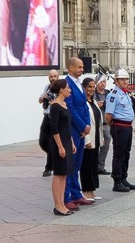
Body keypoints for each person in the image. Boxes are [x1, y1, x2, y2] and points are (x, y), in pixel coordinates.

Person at [64, 57, 94, 211]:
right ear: (70, 68)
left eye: (82, 67)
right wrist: (83, 126)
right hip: (73, 131)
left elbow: (84, 105)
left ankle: (76, 194)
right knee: (70, 165)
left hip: (81, 131)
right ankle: (66, 197)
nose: (82, 70)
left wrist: (86, 126)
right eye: (79, 67)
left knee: (77, 165)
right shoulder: (67, 84)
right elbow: (71, 109)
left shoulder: (78, 83)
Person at [106, 68, 135, 192]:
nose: (125, 81)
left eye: (126, 79)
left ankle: (123, 177)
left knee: (126, 153)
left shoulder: (125, 93)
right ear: (116, 80)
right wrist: (114, 126)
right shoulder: (113, 95)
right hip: (119, 126)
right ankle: (117, 181)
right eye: (122, 79)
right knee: (119, 154)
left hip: (127, 126)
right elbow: (108, 115)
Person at [48, 79, 76, 216]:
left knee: (64, 174)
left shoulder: (65, 105)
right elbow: (54, 129)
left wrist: (71, 143)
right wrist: (60, 146)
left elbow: (67, 127)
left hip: (66, 141)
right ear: (61, 90)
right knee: (58, 174)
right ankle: (57, 205)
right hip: (59, 143)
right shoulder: (55, 106)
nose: (69, 90)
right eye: (68, 88)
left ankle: (62, 204)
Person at [80, 77, 103, 201]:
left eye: (93, 87)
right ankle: (85, 190)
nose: (92, 89)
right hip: (88, 138)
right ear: (84, 87)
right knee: (86, 165)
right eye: (89, 87)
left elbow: (98, 120)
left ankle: (92, 190)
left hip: (96, 137)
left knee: (94, 164)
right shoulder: (83, 103)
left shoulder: (93, 102)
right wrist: (87, 140)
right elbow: (85, 122)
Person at [39, 69, 59, 176]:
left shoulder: (61, 88)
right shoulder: (47, 87)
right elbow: (39, 100)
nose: (53, 78)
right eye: (51, 76)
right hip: (47, 116)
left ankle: (48, 167)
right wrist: (44, 98)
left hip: (55, 117)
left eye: (55, 76)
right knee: (43, 141)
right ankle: (54, 156)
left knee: (52, 142)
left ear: (58, 77)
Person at [94, 72, 112, 176]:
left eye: (104, 82)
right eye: (101, 82)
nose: (103, 84)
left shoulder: (108, 93)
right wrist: (97, 104)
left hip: (106, 124)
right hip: (97, 125)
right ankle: (94, 166)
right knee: (95, 146)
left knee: (105, 146)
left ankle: (101, 167)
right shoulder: (93, 94)